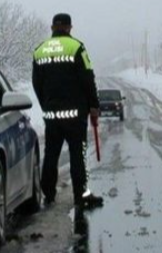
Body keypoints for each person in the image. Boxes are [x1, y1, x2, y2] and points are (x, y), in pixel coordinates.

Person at [32, 13, 104, 211]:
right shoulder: (76, 47)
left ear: (52, 28)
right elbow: (88, 79)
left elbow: (36, 84)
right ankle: (80, 196)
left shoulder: (39, 51)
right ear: (69, 28)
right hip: (75, 115)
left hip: (52, 115)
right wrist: (93, 107)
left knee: (51, 154)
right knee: (77, 155)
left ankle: (48, 193)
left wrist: (46, 105)